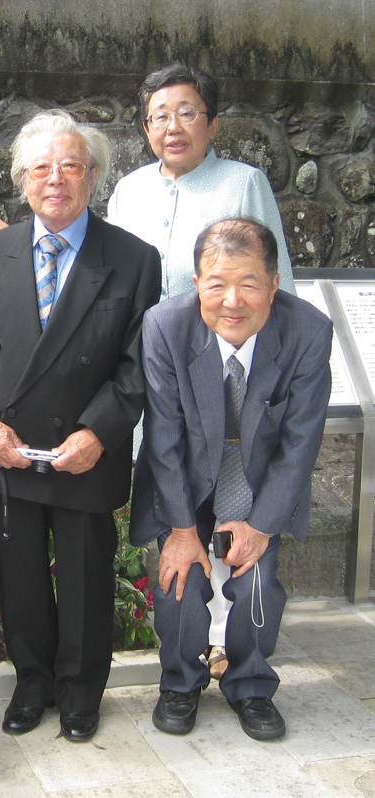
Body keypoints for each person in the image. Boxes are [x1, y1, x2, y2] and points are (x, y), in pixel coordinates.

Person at [0, 110, 161, 742]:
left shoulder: (132, 258)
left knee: (88, 576)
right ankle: (32, 682)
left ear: (93, 176)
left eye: (71, 165)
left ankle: (80, 692)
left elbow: (139, 360)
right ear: (22, 179)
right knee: (19, 576)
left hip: (84, 448)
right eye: (41, 167)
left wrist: (98, 432)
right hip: (6, 447)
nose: (56, 178)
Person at [107, 63, 297, 680]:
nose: (173, 127)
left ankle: (225, 643)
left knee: (230, 495)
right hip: (156, 372)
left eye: (187, 112)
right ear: (144, 127)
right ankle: (180, 638)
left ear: (212, 122)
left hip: (228, 370)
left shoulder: (243, 183)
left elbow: (277, 286)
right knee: (171, 491)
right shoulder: (129, 190)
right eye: (160, 116)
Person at [130, 218, 331, 741]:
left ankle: (252, 686)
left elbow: (300, 443)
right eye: (216, 284)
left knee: (259, 584)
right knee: (179, 581)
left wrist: (262, 525)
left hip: (259, 481)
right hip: (188, 479)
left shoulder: (308, 331)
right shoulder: (165, 326)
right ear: (196, 283)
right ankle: (179, 683)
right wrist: (180, 531)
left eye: (248, 284)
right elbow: (164, 436)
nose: (232, 300)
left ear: (273, 285)